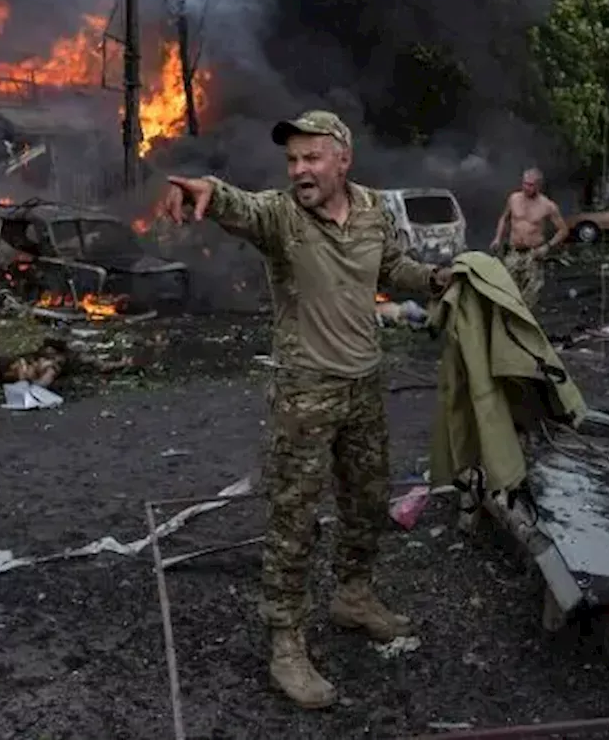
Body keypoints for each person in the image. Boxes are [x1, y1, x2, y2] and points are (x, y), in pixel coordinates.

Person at [160, 110, 451, 710]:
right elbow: (237, 204)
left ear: (343, 157)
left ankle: (353, 595)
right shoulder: (280, 217)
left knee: (366, 502)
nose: (299, 170)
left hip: (365, 387)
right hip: (305, 391)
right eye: (292, 160)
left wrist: (440, 279)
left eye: (311, 157)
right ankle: (286, 641)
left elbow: (392, 269)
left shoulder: (373, 208)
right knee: (294, 519)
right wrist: (205, 193)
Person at [490, 167, 568, 310]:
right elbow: (504, 218)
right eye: (525, 183)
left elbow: (563, 230)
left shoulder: (548, 206)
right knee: (508, 292)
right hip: (513, 253)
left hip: (533, 255)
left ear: (538, 185)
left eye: (531, 185)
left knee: (530, 297)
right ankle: (507, 324)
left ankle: (525, 324)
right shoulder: (514, 198)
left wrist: (547, 247)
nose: (527, 187)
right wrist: (497, 238)